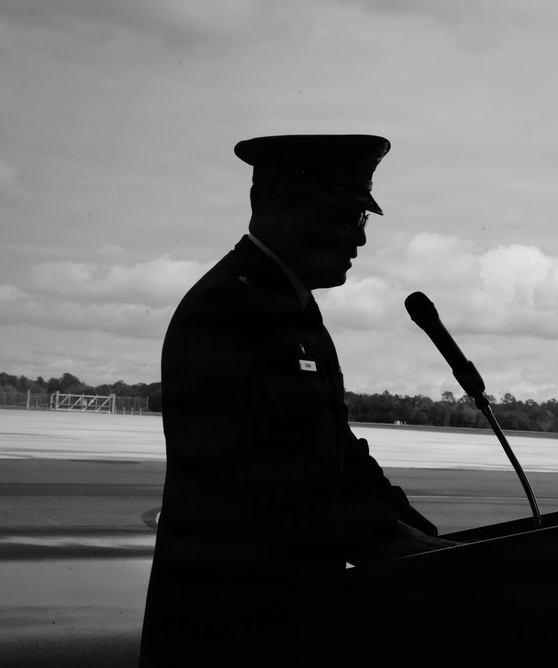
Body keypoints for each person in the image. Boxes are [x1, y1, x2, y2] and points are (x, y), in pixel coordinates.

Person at [139, 135, 454, 666]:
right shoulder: (230, 310)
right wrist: (399, 544)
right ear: (288, 208)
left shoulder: (287, 305)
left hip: (278, 613)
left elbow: (337, 452)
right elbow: (270, 477)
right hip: (225, 624)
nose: (360, 240)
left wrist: (426, 537)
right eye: (351, 217)